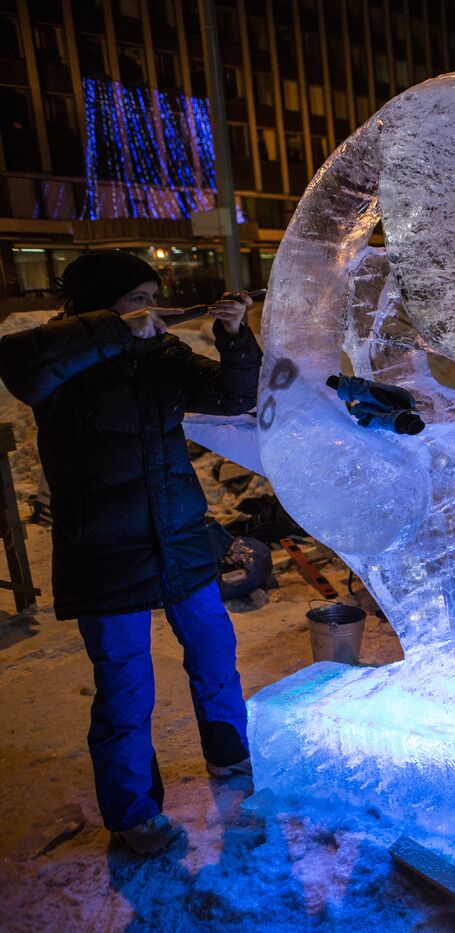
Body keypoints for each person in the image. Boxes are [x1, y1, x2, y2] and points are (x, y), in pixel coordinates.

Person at [0, 250, 262, 855]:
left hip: (180, 537)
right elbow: (21, 368)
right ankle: (133, 814)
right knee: (124, 686)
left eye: (152, 298)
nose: (150, 310)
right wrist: (114, 330)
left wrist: (233, 337)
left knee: (215, 655)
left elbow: (231, 396)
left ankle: (230, 758)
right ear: (99, 304)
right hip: (104, 549)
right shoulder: (53, 357)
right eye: (136, 299)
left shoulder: (158, 353)